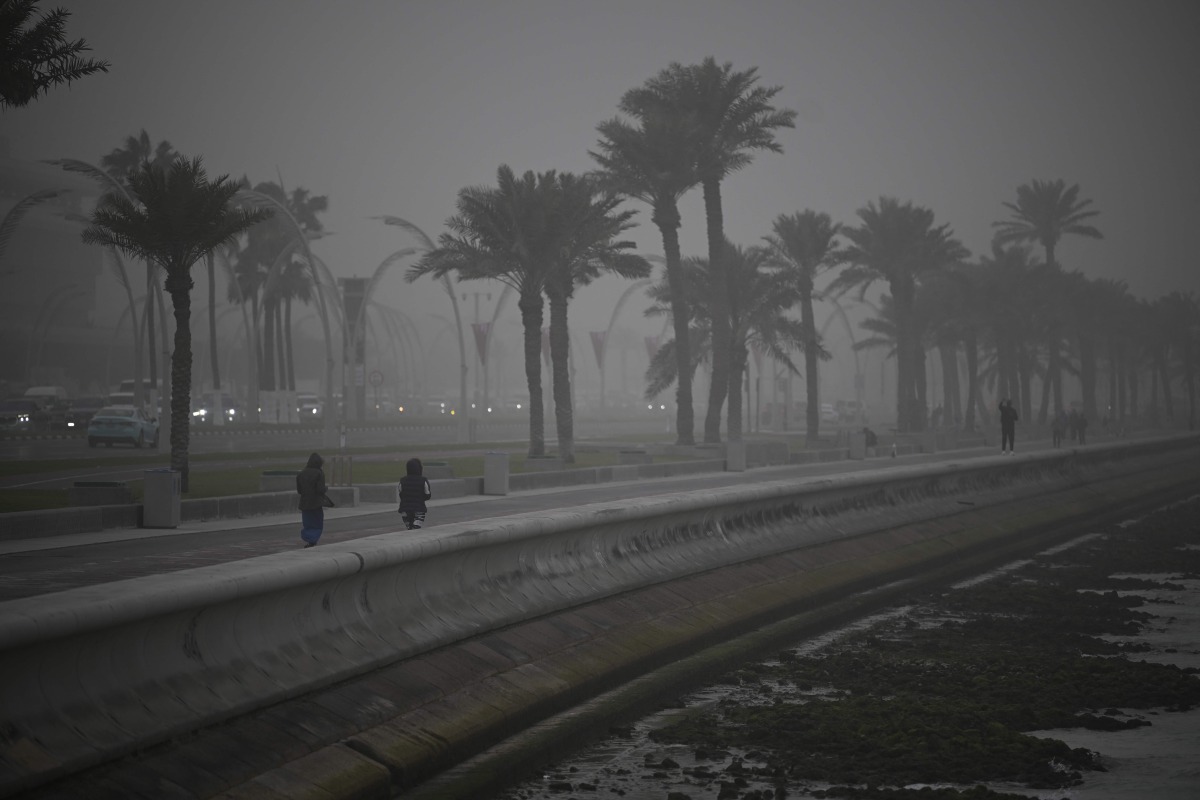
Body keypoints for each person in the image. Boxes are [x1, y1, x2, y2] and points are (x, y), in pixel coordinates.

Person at [296, 452, 334, 547]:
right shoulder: (319, 473)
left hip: (305, 503)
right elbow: (320, 490)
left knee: (308, 523)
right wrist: (326, 488)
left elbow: (299, 490)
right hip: (316, 503)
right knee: (317, 523)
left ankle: (309, 539)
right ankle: (313, 540)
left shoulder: (301, 474)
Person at [398, 457, 432, 530]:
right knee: (416, 530)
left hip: (405, 510)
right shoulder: (423, 480)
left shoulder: (402, 481)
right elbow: (428, 495)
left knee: (409, 529)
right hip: (419, 509)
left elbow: (401, 494)